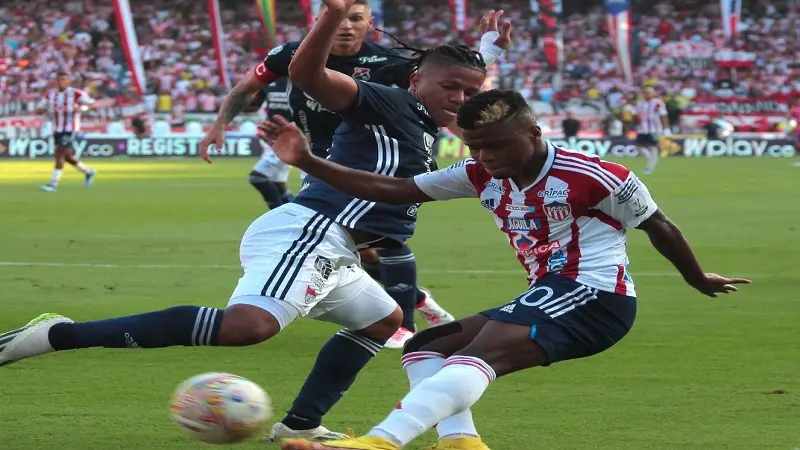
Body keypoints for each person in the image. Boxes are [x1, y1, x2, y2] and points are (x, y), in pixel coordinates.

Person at [0, 0, 508, 445]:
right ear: (416, 81)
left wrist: (488, 45)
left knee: (383, 321)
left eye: (470, 92)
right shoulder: (389, 101)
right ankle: (55, 336)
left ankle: (301, 425)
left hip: (340, 250)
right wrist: (331, 17)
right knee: (249, 327)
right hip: (311, 230)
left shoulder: (425, 121)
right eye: (451, 89)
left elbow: (469, 81)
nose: (461, 100)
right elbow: (310, 78)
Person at [254, 89, 752, 450]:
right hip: (553, 292)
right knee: (427, 345)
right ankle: (459, 442)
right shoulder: (477, 173)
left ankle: (383, 443)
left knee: (481, 351)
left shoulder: (594, 174)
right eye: (475, 146)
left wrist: (697, 277)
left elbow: (659, 225)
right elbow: (396, 190)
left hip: (595, 297)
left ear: (533, 133)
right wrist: (308, 161)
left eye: (497, 145)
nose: (486, 157)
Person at [197, 0, 482, 350]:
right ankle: (411, 308)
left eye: (356, 18)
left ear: (369, 23)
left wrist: (475, 135)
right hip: (311, 156)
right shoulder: (290, 54)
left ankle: (405, 319)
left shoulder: (386, 62)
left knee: (378, 237)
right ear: (319, 19)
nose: (346, 26)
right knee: (357, 245)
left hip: (362, 160)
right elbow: (246, 89)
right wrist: (219, 125)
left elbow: (445, 88)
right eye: (338, 16)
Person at [37, 72, 98, 192]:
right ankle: (88, 172)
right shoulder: (50, 94)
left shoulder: (76, 94)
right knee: (68, 157)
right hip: (56, 128)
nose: (60, 82)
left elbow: (94, 105)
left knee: (59, 153)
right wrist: (41, 109)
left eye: (63, 80)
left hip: (70, 129)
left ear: (68, 82)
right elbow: (39, 108)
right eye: (58, 80)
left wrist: (81, 108)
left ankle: (53, 184)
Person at [248, 77, 297, 209]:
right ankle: (291, 210)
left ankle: (277, 214)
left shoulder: (302, 82)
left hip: (291, 140)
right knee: (277, 184)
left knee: (257, 177)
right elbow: (253, 105)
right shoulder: (269, 84)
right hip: (271, 140)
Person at [634, 87, 670, 175]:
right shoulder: (639, 103)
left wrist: (666, 128)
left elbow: (663, 115)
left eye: (648, 92)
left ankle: (649, 168)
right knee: (639, 146)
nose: (646, 94)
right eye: (645, 92)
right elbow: (637, 115)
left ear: (653, 94)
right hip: (642, 129)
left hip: (654, 128)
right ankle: (652, 159)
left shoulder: (658, 103)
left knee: (653, 147)